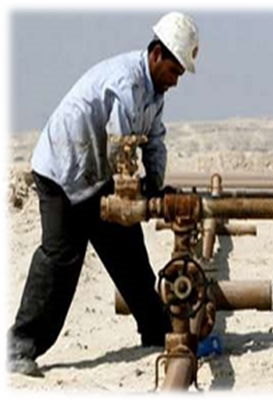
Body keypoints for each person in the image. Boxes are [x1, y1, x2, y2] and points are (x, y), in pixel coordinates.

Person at [7, 11, 199, 377]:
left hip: (95, 176)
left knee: (128, 250)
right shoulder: (126, 84)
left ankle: (156, 329)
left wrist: (155, 186)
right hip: (63, 171)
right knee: (61, 258)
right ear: (157, 54)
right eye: (174, 71)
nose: (176, 81)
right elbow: (119, 147)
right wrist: (134, 193)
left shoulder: (154, 94)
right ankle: (17, 347)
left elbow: (154, 141)